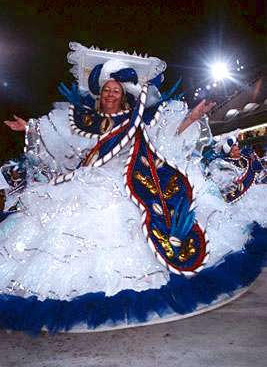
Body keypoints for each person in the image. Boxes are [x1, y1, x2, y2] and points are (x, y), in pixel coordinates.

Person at [0, 43, 266, 335]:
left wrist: (193, 115)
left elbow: (167, 133)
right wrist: (29, 128)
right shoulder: (83, 120)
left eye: (115, 90)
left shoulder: (137, 119)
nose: (110, 94)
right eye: (106, 90)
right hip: (90, 182)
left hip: (134, 182)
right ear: (99, 94)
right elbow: (62, 139)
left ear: (123, 94)